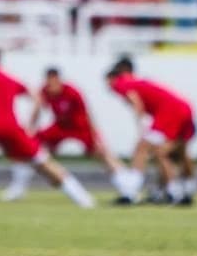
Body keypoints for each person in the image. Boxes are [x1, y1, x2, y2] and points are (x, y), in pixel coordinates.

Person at [0, 48, 95, 208]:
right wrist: (29, 126)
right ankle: (82, 198)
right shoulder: (10, 78)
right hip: (11, 128)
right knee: (41, 162)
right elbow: (37, 98)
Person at [30, 67, 139, 201]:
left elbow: (87, 114)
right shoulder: (44, 91)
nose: (51, 86)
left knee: (102, 153)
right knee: (31, 145)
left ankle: (128, 188)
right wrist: (31, 128)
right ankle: (21, 187)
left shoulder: (72, 92)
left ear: (59, 80)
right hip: (60, 126)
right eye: (49, 82)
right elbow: (37, 109)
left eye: (54, 82)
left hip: (80, 126)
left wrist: (95, 137)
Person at [105, 59, 197, 206]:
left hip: (170, 112)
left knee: (142, 148)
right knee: (169, 153)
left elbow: (135, 101)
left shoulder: (121, 83)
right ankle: (183, 190)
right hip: (183, 109)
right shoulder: (138, 81)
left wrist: (142, 126)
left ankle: (130, 192)